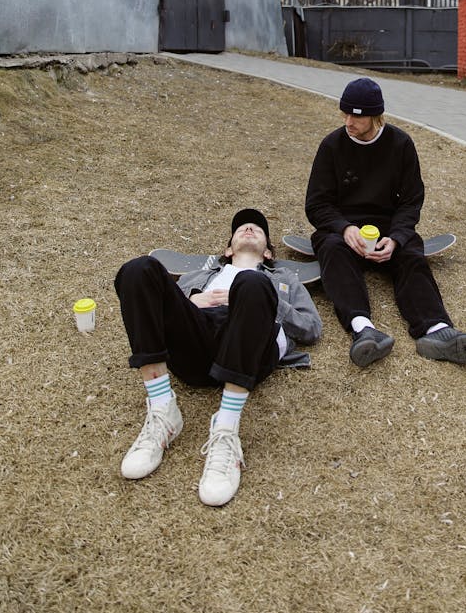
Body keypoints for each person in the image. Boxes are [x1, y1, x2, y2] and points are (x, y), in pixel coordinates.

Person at [114, 208, 322, 506]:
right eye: (241, 228)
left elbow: (312, 328)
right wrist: (193, 300)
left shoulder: (283, 278)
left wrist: (271, 302)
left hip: (250, 345)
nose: (249, 229)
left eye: (257, 229)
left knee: (252, 284)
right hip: (197, 341)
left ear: (268, 252)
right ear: (228, 249)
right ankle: (162, 410)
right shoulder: (200, 275)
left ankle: (226, 428)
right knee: (137, 270)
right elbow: (165, 310)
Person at [305, 77, 466, 369]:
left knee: (412, 256)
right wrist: (344, 227)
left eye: (357, 115)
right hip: (344, 230)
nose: (348, 121)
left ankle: (436, 330)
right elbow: (316, 204)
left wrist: (398, 237)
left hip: (387, 228)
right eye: (345, 113)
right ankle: (363, 329)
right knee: (332, 250)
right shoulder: (332, 146)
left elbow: (411, 200)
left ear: (375, 116)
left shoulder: (400, 144)